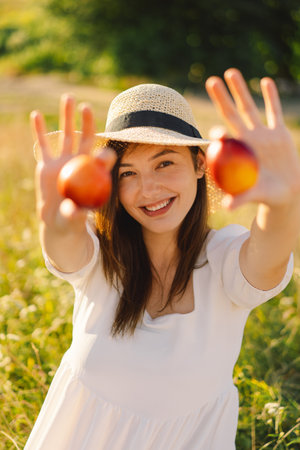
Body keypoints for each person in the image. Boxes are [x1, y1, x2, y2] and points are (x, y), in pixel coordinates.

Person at [25, 68, 299, 449]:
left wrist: (285, 203)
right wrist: (55, 222)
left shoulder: (224, 260)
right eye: (127, 173)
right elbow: (65, 243)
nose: (147, 189)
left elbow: (268, 252)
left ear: (200, 165)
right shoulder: (100, 255)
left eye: (165, 162)